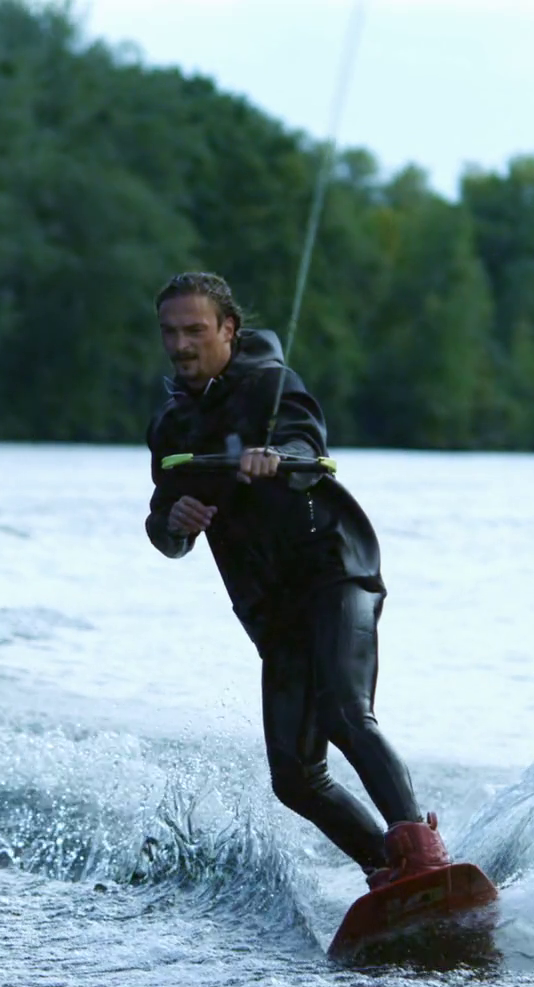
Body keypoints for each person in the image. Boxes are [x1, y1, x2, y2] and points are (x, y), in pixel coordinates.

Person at [143, 271, 450, 888]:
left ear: (228, 329)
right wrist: (174, 521)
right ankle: (386, 869)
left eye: (195, 331)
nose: (181, 346)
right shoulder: (172, 425)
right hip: (272, 606)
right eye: (171, 333)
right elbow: (163, 525)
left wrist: (277, 458)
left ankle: (422, 853)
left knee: (344, 711)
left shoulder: (273, 385)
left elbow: (310, 449)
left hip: (336, 571)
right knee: (294, 776)